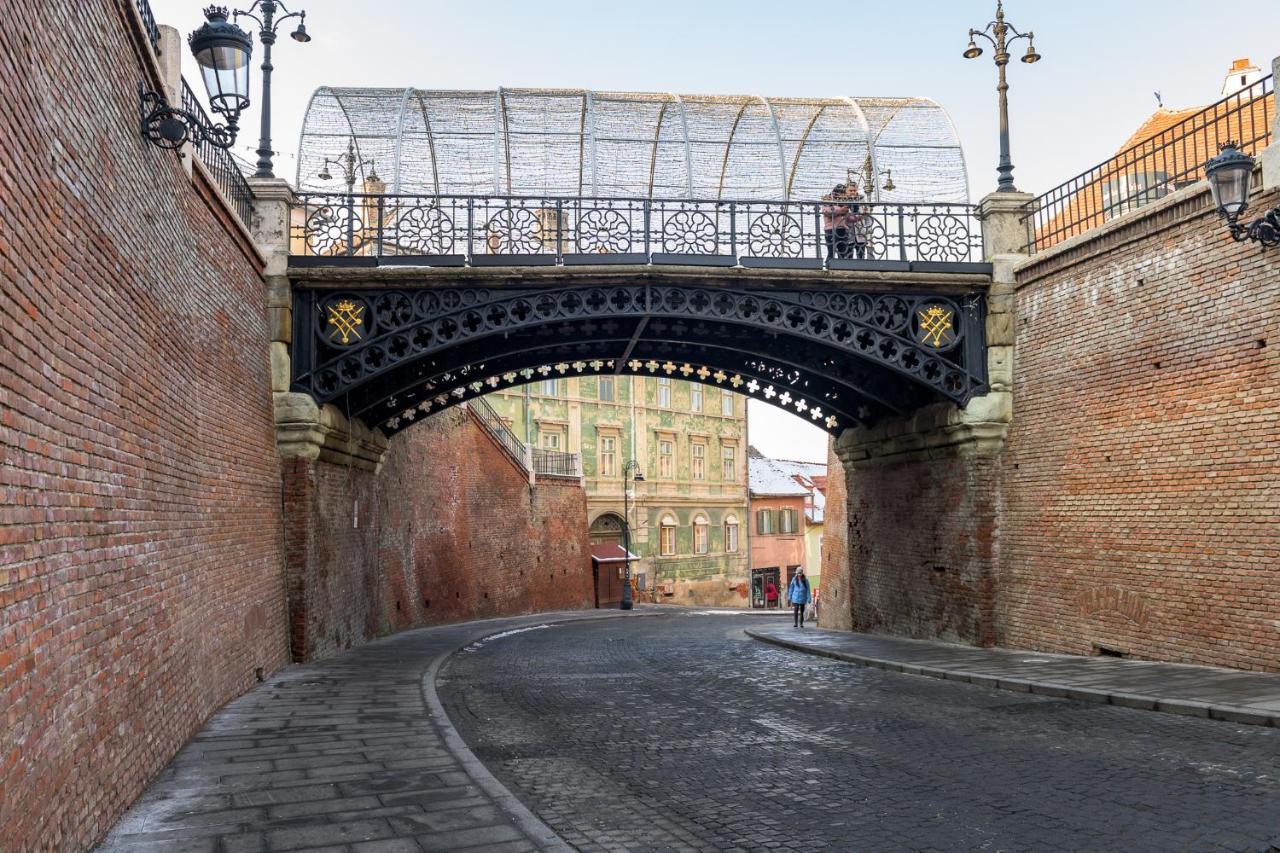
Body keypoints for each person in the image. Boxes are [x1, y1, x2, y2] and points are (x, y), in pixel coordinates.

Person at [821, 184, 852, 260]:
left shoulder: (844, 203)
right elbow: (827, 211)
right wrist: (841, 210)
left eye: (844, 193)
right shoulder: (828, 200)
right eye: (842, 193)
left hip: (843, 230)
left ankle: (842, 267)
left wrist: (862, 215)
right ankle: (829, 266)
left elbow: (849, 219)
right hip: (831, 230)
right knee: (831, 252)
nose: (843, 195)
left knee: (843, 252)